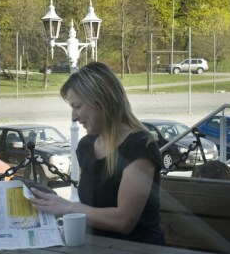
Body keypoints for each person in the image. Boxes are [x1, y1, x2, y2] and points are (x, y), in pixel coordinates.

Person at [30, 62, 165, 245]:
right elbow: (90, 209)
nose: (73, 117)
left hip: (137, 248)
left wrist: (68, 207)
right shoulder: (86, 146)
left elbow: (123, 221)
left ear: (101, 101)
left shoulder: (139, 145)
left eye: (77, 106)